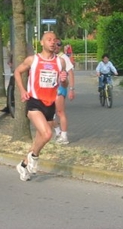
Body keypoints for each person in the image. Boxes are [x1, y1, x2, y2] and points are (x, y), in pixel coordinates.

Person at [14, 31, 68, 181]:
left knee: (39, 140)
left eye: (54, 40)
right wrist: (23, 90)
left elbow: (64, 83)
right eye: (48, 40)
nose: (52, 42)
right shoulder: (33, 60)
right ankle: (34, 158)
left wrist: (64, 81)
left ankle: (24, 165)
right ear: (42, 43)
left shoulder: (60, 62)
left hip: (50, 104)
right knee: (47, 134)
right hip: (35, 102)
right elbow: (17, 72)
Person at [53, 38, 75, 145]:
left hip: (60, 87)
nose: (56, 47)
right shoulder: (49, 57)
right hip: (49, 88)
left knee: (60, 112)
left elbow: (70, 73)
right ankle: (58, 132)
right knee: (48, 114)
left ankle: (64, 136)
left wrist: (71, 89)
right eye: (54, 44)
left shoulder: (63, 58)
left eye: (58, 45)